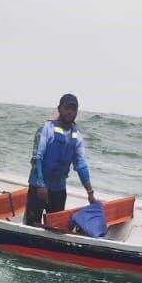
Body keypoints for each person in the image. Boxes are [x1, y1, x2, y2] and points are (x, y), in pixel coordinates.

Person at [24, 93, 96, 226]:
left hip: (58, 189)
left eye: (73, 109)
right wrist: (40, 184)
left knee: (55, 227)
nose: (70, 112)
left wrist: (90, 192)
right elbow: (37, 158)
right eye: (67, 108)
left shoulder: (77, 136)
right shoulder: (47, 129)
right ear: (59, 108)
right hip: (38, 187)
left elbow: (81, 166)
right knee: (31, 224)